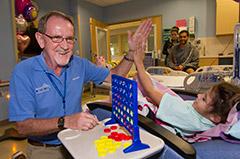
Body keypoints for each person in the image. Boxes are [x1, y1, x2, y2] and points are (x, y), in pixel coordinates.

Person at [8, 11, 152, 159]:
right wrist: (66, 121)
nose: (64, 46)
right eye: (57, 38)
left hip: (78, 139)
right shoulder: (23, 71)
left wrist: (131, 52)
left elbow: (115, 75)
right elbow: (22, 126)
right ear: (41, 39)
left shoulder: (79, 64)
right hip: (45, 149)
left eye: (69, 39)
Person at [133, 40, 240, 137]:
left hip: (154, 124)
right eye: (203, 93)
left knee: (137, 85)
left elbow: (150, 90)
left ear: (215, 118)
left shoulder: (187, 115)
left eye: (204, 99)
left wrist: (139, 63)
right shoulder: (207, 119)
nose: (198, 95)